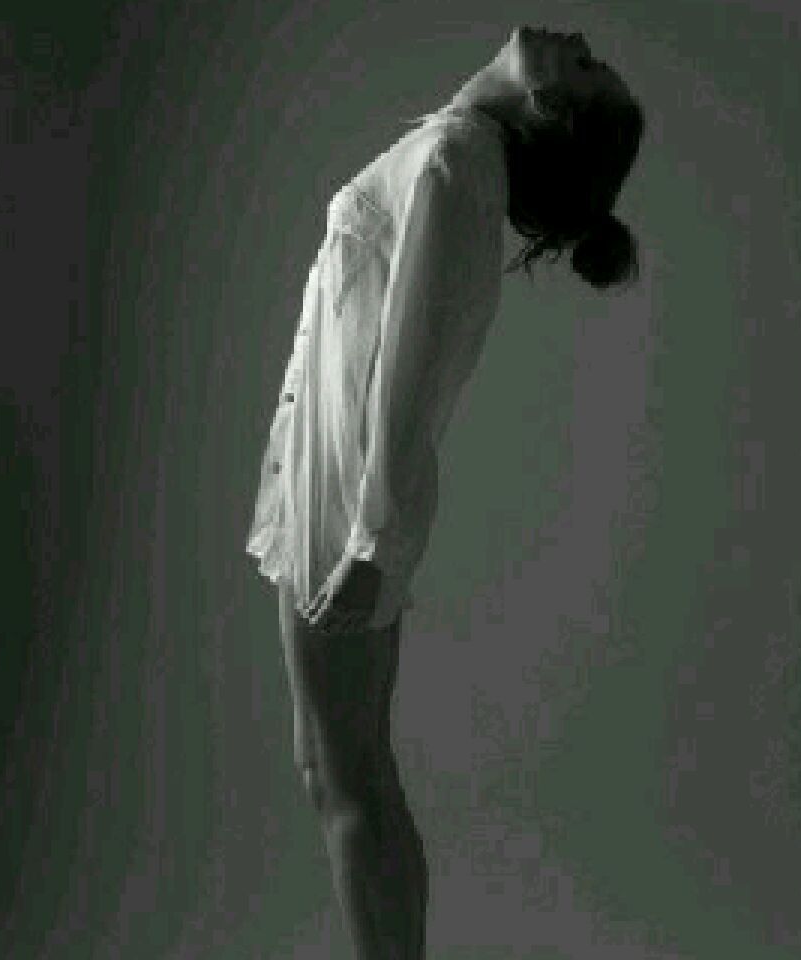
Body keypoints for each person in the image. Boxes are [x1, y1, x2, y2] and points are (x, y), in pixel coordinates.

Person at [246, 25, 644, 960]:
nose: (580, 41)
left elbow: (413, 368)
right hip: (334, 484)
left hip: (347, 498)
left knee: (348, 781)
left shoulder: (457, 162)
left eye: (586, 68)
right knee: (337, 771)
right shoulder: (458, 150)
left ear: (550, 105)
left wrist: (371, 541)